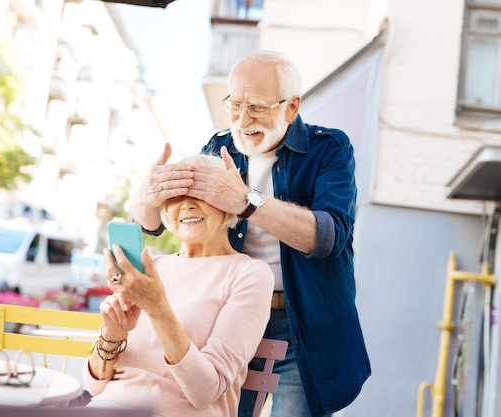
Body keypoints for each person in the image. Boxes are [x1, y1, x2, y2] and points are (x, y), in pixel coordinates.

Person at [129, 50, 371, 417]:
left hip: (302, 320)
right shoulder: (218, 147)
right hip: (229, 314)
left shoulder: (330, 149)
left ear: (291, 107)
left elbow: (328, 238)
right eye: (235, 105)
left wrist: (246, 200)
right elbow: (164, 222)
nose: (243, 119)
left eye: (256, 106)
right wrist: (145, 201)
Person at [83, 153, 275, 417]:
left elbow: (205, 391)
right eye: (175, 196)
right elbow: (93, 385)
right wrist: (113, 334)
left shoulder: (250, 274)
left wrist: (157, 307)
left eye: (200, 193)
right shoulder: (154, 266)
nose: (186, 205)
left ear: (227, 202)